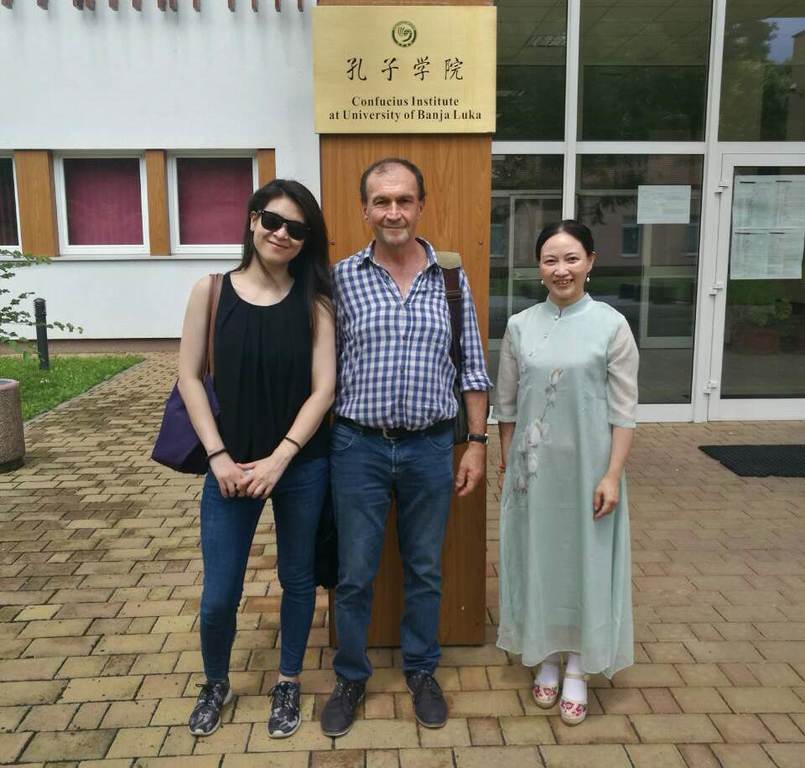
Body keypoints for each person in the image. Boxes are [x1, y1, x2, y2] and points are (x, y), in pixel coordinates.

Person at [321, 158, 492, 737]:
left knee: (424, 569)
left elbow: (472, 368)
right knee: (354, 573)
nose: (393, 212)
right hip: (357, 447)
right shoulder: (341, 279)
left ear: (420, 206)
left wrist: (476, 444)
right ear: (364, 210)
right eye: (381, 201)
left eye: (403, 200)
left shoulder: (450, 278)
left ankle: (421, 670)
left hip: (429, 449)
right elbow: (321, 368)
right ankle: (351, 676)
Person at [177, 179, 336, 739]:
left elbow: (323, 389)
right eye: (273, 221)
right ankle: (215, 682)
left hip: (300, 466)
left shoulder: (316, 303)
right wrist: (218, 456)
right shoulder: (210, 291)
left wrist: (280, 459)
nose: (282, 234)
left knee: (298, 579)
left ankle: (288, 680)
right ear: (252, 220)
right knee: (220, 593)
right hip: (230, 468)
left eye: (297, 228)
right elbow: (189, 377)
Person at [495, 220, 638, 726]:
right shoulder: (519, 326)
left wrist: (612, 475)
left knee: (586, 562)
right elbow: (506, 407)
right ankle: (546, 656)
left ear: (590, 262)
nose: (562, 269)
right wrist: (509, 464)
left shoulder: (611, 326)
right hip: (533, 475)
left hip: (590, 471)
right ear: (539, 268)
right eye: (551, 260)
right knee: (538, 560)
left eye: (572, 258)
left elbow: (624, 412)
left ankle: (579, 663)